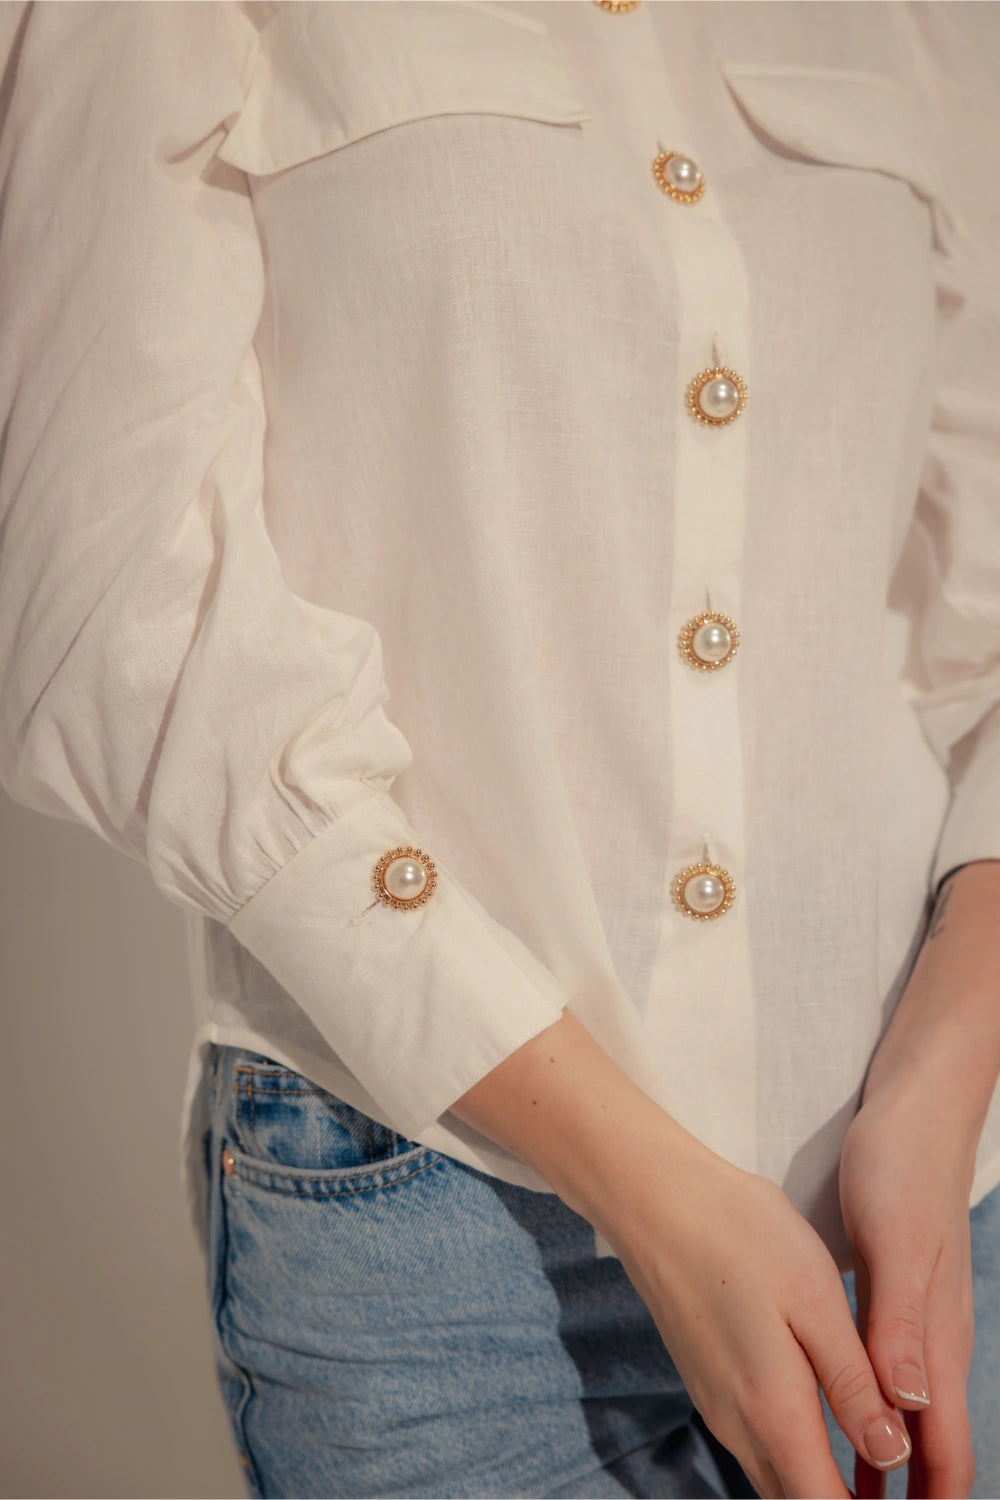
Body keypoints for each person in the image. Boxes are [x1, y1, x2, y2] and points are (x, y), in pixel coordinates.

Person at [1, 1, 997, 1496]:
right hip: (438, 1243)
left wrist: (938, 1081)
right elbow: (103, 615)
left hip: (936, 1221)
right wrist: (655, 1194)